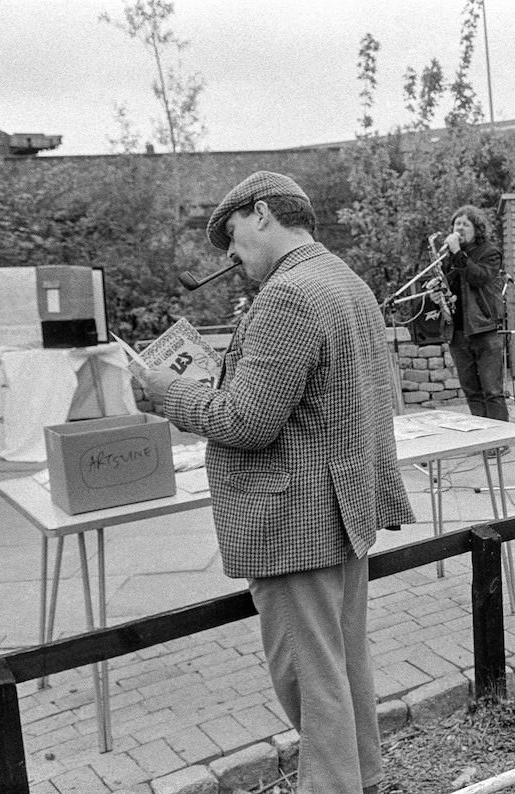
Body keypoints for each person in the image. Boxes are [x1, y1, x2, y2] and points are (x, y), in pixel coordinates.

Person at [138, 171, 415, 794]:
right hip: (343, 510)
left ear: (262, 214)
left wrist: (169, 395)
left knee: (307, 678)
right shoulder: (344, 280)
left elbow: (246, 421)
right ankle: (365, 778)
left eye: (232, 236)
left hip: (296, 522)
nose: (231, 257)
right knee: (342, 664)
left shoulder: (288, 295)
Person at [443, 204, 510, 425]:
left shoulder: (489, 252)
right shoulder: (449, 256)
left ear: (476, 228)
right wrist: (438, 294)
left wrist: (457, 253)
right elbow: (448, 285)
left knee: (492, 390)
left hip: (484, 330)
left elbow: (478, 277)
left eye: (465, 224)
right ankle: (483, 438)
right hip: (459, 332)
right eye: (456, 223)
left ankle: (500, 440)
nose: (459, 228)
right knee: (471, 391)